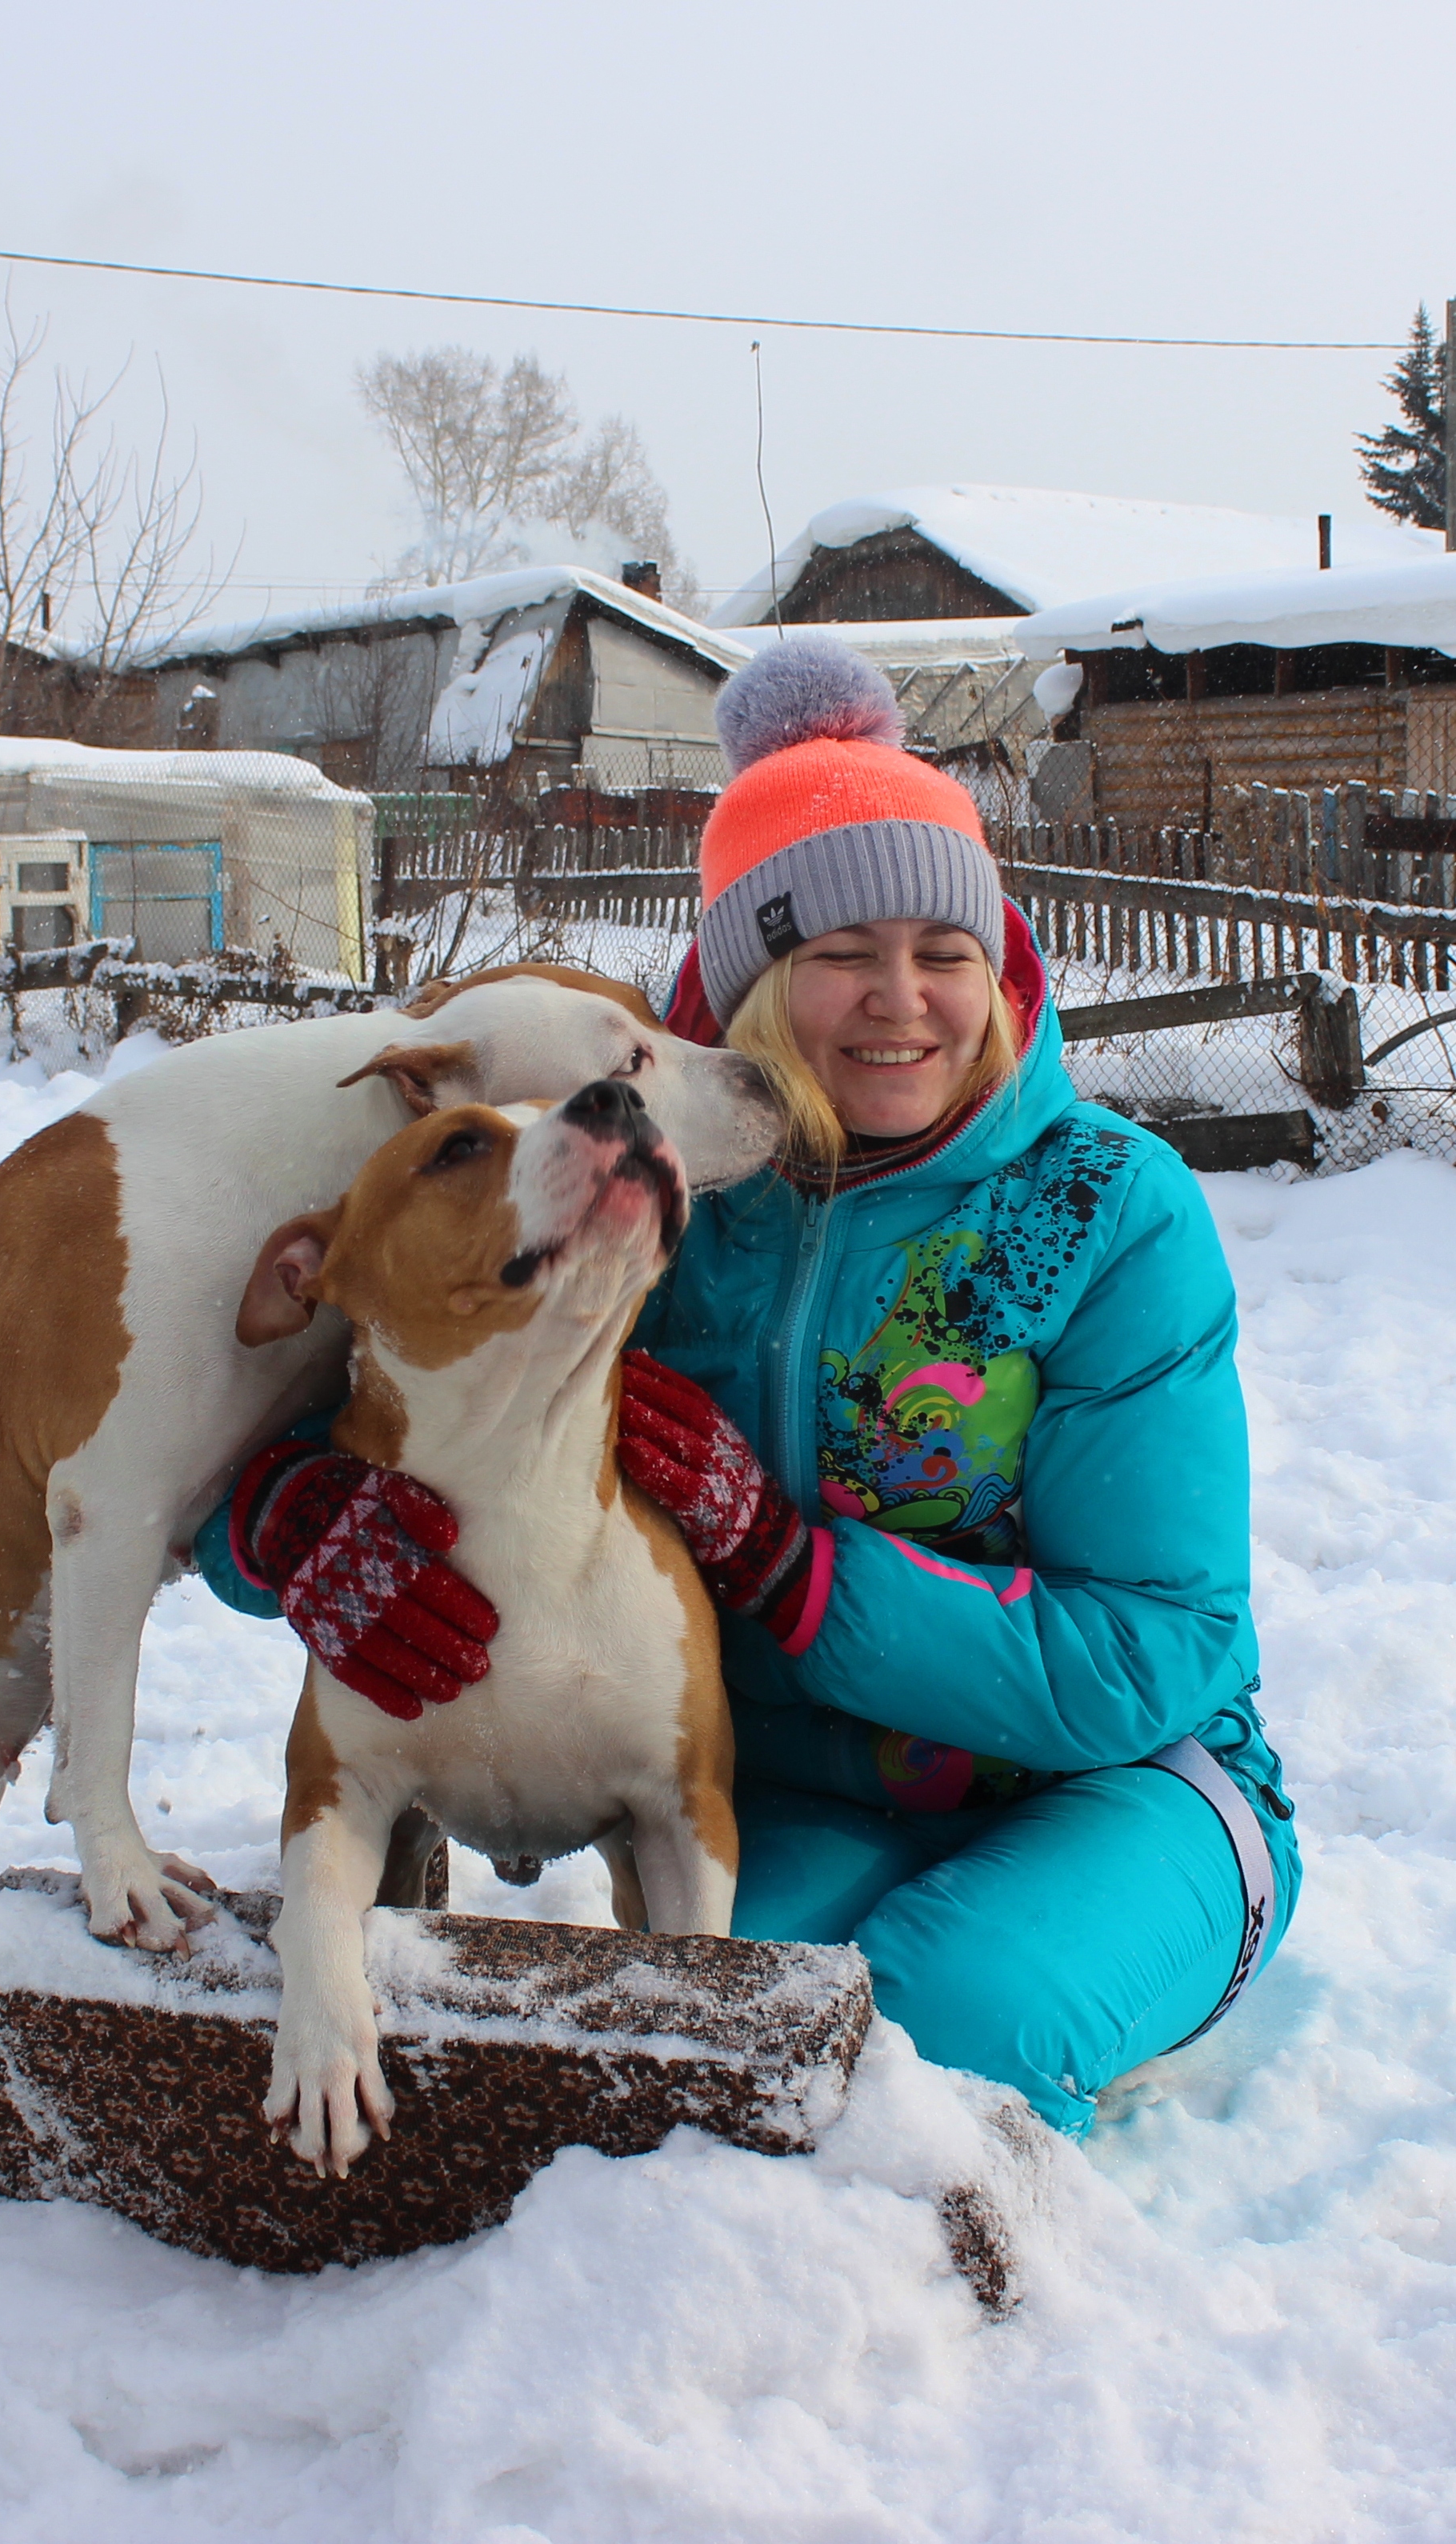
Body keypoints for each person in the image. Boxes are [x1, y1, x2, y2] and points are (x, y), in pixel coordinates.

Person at [199, 634, 1299, 2138]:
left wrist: (791, 1571)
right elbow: (368, 1373)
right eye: (841, 951)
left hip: (1128, 1786)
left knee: (946, 2023)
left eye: (945, 950)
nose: (901, 999)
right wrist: (285, 1515)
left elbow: (1156, 1647)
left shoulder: (1107, 1209)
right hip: (800, 1792)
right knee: (720, 2045)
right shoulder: (644, 1200)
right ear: (748, 985)